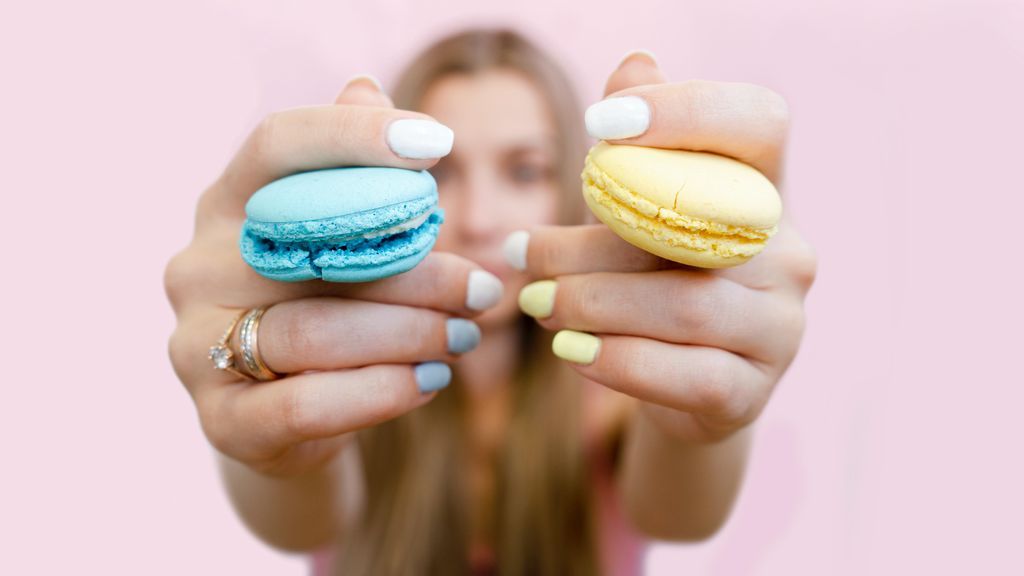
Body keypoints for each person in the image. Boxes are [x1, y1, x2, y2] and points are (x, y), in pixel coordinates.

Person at [164, 28, 817, 576]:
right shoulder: (337, 382)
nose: (478, 219)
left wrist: (705, 423)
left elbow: (682, 514)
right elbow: (297, 517)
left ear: (572, 187)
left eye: (524, 170)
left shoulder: (624, 381)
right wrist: (272, 444)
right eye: (442, 173)